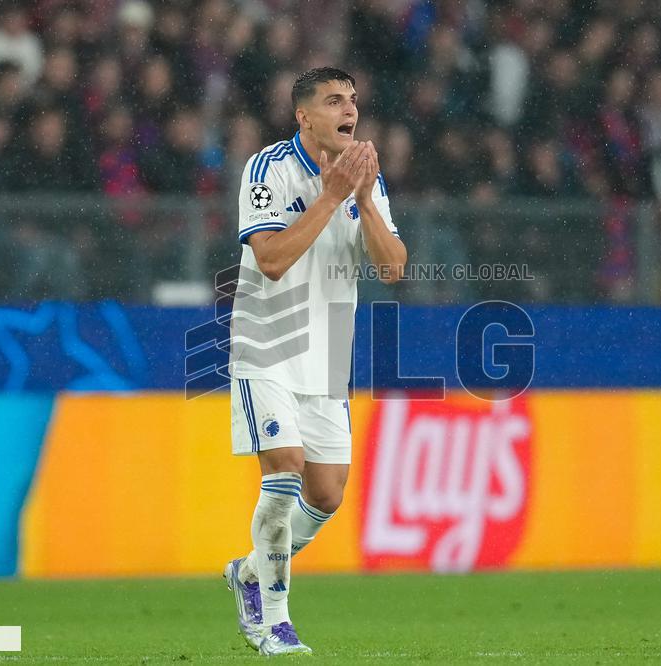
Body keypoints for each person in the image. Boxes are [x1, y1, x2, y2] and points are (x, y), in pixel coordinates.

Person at [223, 67, 406, 656]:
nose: (348, 109)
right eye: (333, 100)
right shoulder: (267, 170)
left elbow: (393, 268)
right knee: (283, 472)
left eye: (352, 99)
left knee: (325, 494)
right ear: (304, 115)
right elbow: (271, 259)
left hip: (327, 354)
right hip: (267, 347)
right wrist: (329, 198)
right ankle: (273, 621)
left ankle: (251, 571)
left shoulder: (364, 178)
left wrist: (363, 202)